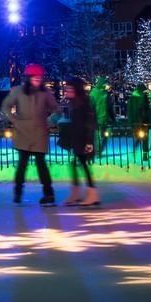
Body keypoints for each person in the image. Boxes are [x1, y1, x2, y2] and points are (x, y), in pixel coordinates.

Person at [1, 63, 59, 206]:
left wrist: (49, 121)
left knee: (41, 165)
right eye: (35, 77)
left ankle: (48, 193)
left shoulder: (45, 93)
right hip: (23, 133)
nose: (38, 80)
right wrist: (14, 120)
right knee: (22, 165)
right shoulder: (19, 91)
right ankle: (18, 192)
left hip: (40, 133)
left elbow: (57, 110)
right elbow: (5, 106)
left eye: (40, 77)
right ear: (28, 78)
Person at [61, 77, 100, 207]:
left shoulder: (84, 103)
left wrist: (89, 142)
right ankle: (77, 193)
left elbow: (90, 123)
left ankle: (92, 194)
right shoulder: (73, 103)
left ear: (76, 89)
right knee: (75, 164)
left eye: (70, 88)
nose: (67, 91)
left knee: (82, 165)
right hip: (77, 139)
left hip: (84, 140)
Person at [127, 83, 151, 160]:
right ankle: (143, 154)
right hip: (140, 121)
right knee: (142, 138)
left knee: (142, 138)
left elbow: (130, 111)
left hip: (140, 121)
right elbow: (147, 110)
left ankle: (143, 153)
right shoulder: (140, 98)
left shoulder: (133, 98)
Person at [89, 76, 111, 154]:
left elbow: (109, 106)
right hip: (97, 119)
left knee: (105, 136)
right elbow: (91, 107)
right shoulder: (93, 94)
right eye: (105, 84)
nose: (106, 86)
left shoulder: (105, 94)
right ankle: (97, 152)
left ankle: (99, 150)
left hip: (104, 119)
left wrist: (112, 117)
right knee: (98, 137)